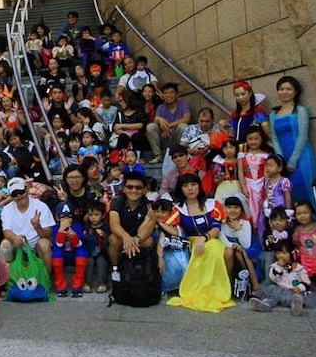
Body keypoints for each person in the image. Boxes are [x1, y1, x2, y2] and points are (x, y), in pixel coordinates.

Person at [165, 172, 234, 313]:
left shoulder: (212, 204)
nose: (190, 188)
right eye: (185, 185)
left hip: (212, 239)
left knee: (212, 247)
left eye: (193, 184)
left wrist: (204, 238)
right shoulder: (178, 209)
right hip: (190, 243)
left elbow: (216, 228)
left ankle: (218, 290)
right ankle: (203, 290)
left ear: (199, 186)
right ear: (181, 189)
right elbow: (172, 228)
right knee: (205, 249)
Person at [269, 76, 316, 203]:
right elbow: (274, 137)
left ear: (295, 92)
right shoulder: (273, 114)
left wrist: (293, 160)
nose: (284, 92)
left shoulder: (300, 110)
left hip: (301, 156)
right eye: (281, 89)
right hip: (283, 157)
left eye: (288, 89)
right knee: (287, 191)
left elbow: (303, 136)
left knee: (302, 185)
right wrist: (280, 160)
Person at [249, 241, 316, 316]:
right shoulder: (275, 266)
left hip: (293, 290)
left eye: (284, 253)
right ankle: (265, 305)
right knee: (273, 297)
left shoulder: (299, 268)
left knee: (294, 297)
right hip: (279, 289)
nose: (280, 256)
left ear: (292, 254)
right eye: (278, 253)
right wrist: (279, 267)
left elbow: (306, 281)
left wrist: (299, 287)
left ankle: (296, 306)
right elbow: (273, 279)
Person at [0, 177, 55, 272]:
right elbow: (6, 231)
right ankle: (8, 278)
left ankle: (46, 276)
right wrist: (14, 238)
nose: (19, 196)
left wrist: (38, 227)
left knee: (44, 244)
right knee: (5, 245)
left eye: (21, 192)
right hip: (18, 245)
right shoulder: (7, 209)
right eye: (15, 194)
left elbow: (48, 234)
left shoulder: (41, 206)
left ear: (27, 189)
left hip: (36, 246)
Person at [108, 172, 156, 282]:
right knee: (113, 239)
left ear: (145, 190)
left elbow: (148, 227)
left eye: (138, 188)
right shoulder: (116, 202)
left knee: (149, 241)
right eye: (130, 187)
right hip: (121, 237)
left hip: (138, 238)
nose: (134, 190)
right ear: (124, 189)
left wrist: (134, 240)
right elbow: (114, 224)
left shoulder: (150, 205)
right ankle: (115, 269)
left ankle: (144, 271)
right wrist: (126, 238)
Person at [239, 125, 271, 238]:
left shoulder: (265, 155)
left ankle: (261, 232)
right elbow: (241, 171)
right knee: (249, 208)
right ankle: (250, 233)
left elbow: (267, 172)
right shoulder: (242, 155)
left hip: (261, 184)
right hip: (248, 185)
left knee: (261, 207)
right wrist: (243, 187)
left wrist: (266, 186)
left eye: (256, 138)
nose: (253, 142)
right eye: (250, 139)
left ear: (261, 139)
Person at [146, 83, 191, 163]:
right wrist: (160, 119)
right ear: (163, 96)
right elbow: (155, 122)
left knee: (183, 126)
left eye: (171, 92)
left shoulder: (183, 105)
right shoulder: (161, 107)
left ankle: (181, 154)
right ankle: (158, 155)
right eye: (166, 93)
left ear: (177, 94)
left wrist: (168, 126)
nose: (168, 95)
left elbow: (187, 119)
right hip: (164, 138)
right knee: (151, 127)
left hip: (177, 137)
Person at [51, 202, 88, 297]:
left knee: (82, 254)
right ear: (58, 218)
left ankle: (77, 286)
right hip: (62, 254)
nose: (66, 220)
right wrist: (61, 231)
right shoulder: (56, 228)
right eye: (63, 217)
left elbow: (79, 245)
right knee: (56, 255)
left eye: (69, 217)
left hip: (74, 253)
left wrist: (73, 236)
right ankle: (61, 287)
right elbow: (58, 245)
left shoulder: (77, 226)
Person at [82, 202, 110, 293]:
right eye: (91, 215)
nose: (93, 217)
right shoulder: (87, 227)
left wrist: (104, 235)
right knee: (88, 261)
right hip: (89, 252)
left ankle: (102, 282)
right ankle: (86, 282)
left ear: (103, 216)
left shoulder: (105, 227)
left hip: (102, 253)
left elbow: (109, 241)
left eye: (96, 215)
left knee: (101, 261)